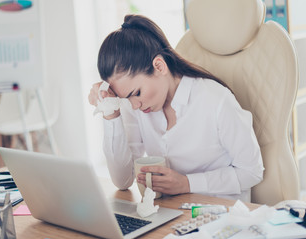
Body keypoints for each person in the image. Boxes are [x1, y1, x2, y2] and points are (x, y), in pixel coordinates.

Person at [88, 14, 264, 202]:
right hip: (169, 215)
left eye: (136, 93)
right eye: (125, 98)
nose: (134, 105)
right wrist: (111, 114)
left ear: (159, 66)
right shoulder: (136, 106)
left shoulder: (215, 99)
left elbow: (252, 171)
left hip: (221, 216)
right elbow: (123, 181)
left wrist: (187, 183)